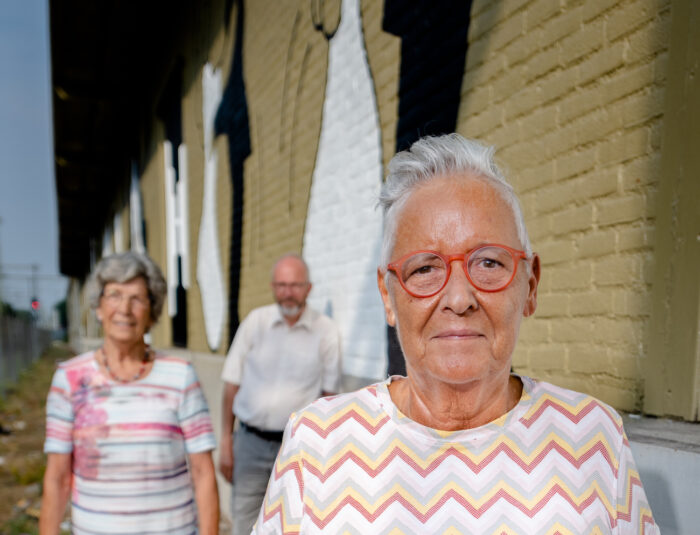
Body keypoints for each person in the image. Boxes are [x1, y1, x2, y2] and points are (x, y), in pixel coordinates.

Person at [253, 134, 659, 534]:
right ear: (388, 296)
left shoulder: (593, 436)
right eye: (425, 268)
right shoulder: (317, 442)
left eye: (488, 263)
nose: (460, 297)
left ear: (530, 286)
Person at [40, 251, 219, 535]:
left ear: (152, 312)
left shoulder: (180, 376)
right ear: (98, 308)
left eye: (137, 298)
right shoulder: (70, 379)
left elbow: (203, 473)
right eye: (114, 295)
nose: (125, 308)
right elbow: (57, 477)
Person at [219, 253, 341, 535]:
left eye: (296, 285)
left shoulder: (326, 331)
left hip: (297, 446)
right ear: (273, 287)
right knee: (244, 522)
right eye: (282, 285)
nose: (288, 293)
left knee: (294, 523)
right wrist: (226, 440)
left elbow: (330, 398)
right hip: (249, 443)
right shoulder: (255, 322)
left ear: (309, 288)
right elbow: (230, 384)